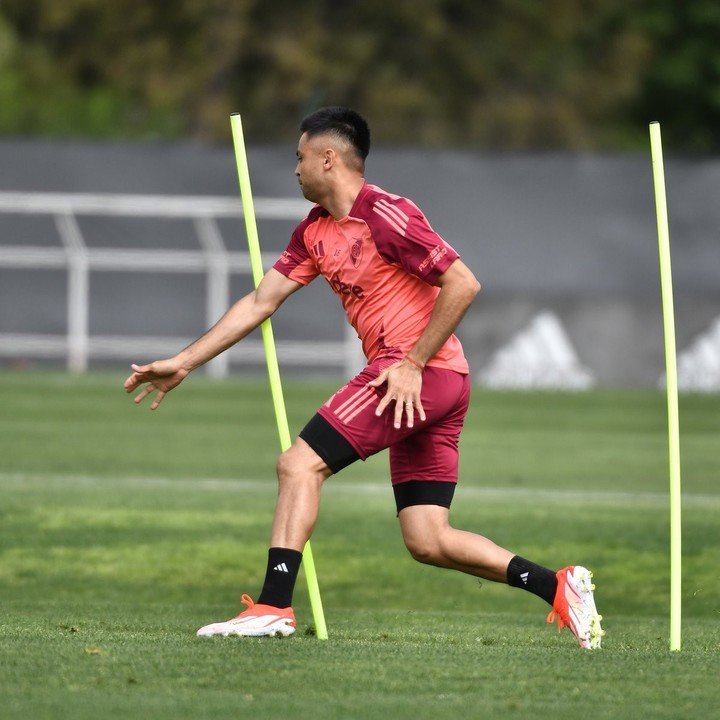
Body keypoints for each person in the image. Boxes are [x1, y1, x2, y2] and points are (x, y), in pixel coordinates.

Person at [124, 106, 604, 649]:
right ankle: (558, 586)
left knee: (298, 464)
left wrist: (413, 363)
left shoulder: (385, 214)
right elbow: (261, 301)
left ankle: (273, 606)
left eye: (301, 157)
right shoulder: (313, 231)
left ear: (328, 158)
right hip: (433, 381)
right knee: (427, 539)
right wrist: (185, 361)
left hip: (417, 373)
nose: (296, 169)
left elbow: (463, 284)